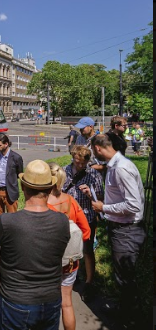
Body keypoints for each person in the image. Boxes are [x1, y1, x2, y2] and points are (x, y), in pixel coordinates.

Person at [0, 160, 70, 330]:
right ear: (49, 189)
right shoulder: (62, 221)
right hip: (51, 300)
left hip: (15, 299)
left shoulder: (7, 222)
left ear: (23, 188)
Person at [89, 134, 146, 328]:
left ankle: (131, 319)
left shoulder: (121, 168)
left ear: (98, 148)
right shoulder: (115, 165)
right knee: (122, 275)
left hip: (126, 230)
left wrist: (103, 207)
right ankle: (125, 310)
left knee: (125, 277)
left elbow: (133, 205)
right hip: (122, 228)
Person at [47, 163, 90, 330]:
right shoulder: (70, 201)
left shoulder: (42, 205)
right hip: (71, 262)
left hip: (49, 263)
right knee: (67, 303)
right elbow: (85, 231)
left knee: (48, 304)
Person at [63, 145, 104, 302]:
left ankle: (89, 281)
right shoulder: (64, 171)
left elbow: (100, 198)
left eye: (83, 163)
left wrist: (90, 194)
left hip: (86, 217)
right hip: (67, 217)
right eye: (77, 162)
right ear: (73, 158)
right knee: (67, 248)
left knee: (87, 249)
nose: (80, 165)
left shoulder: (94, 174)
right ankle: (71, 274)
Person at [0, 133, 23, 216]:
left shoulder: (16, 158)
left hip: (9, 192)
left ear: (6, 144)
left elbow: (19, 173)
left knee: (12, 217)